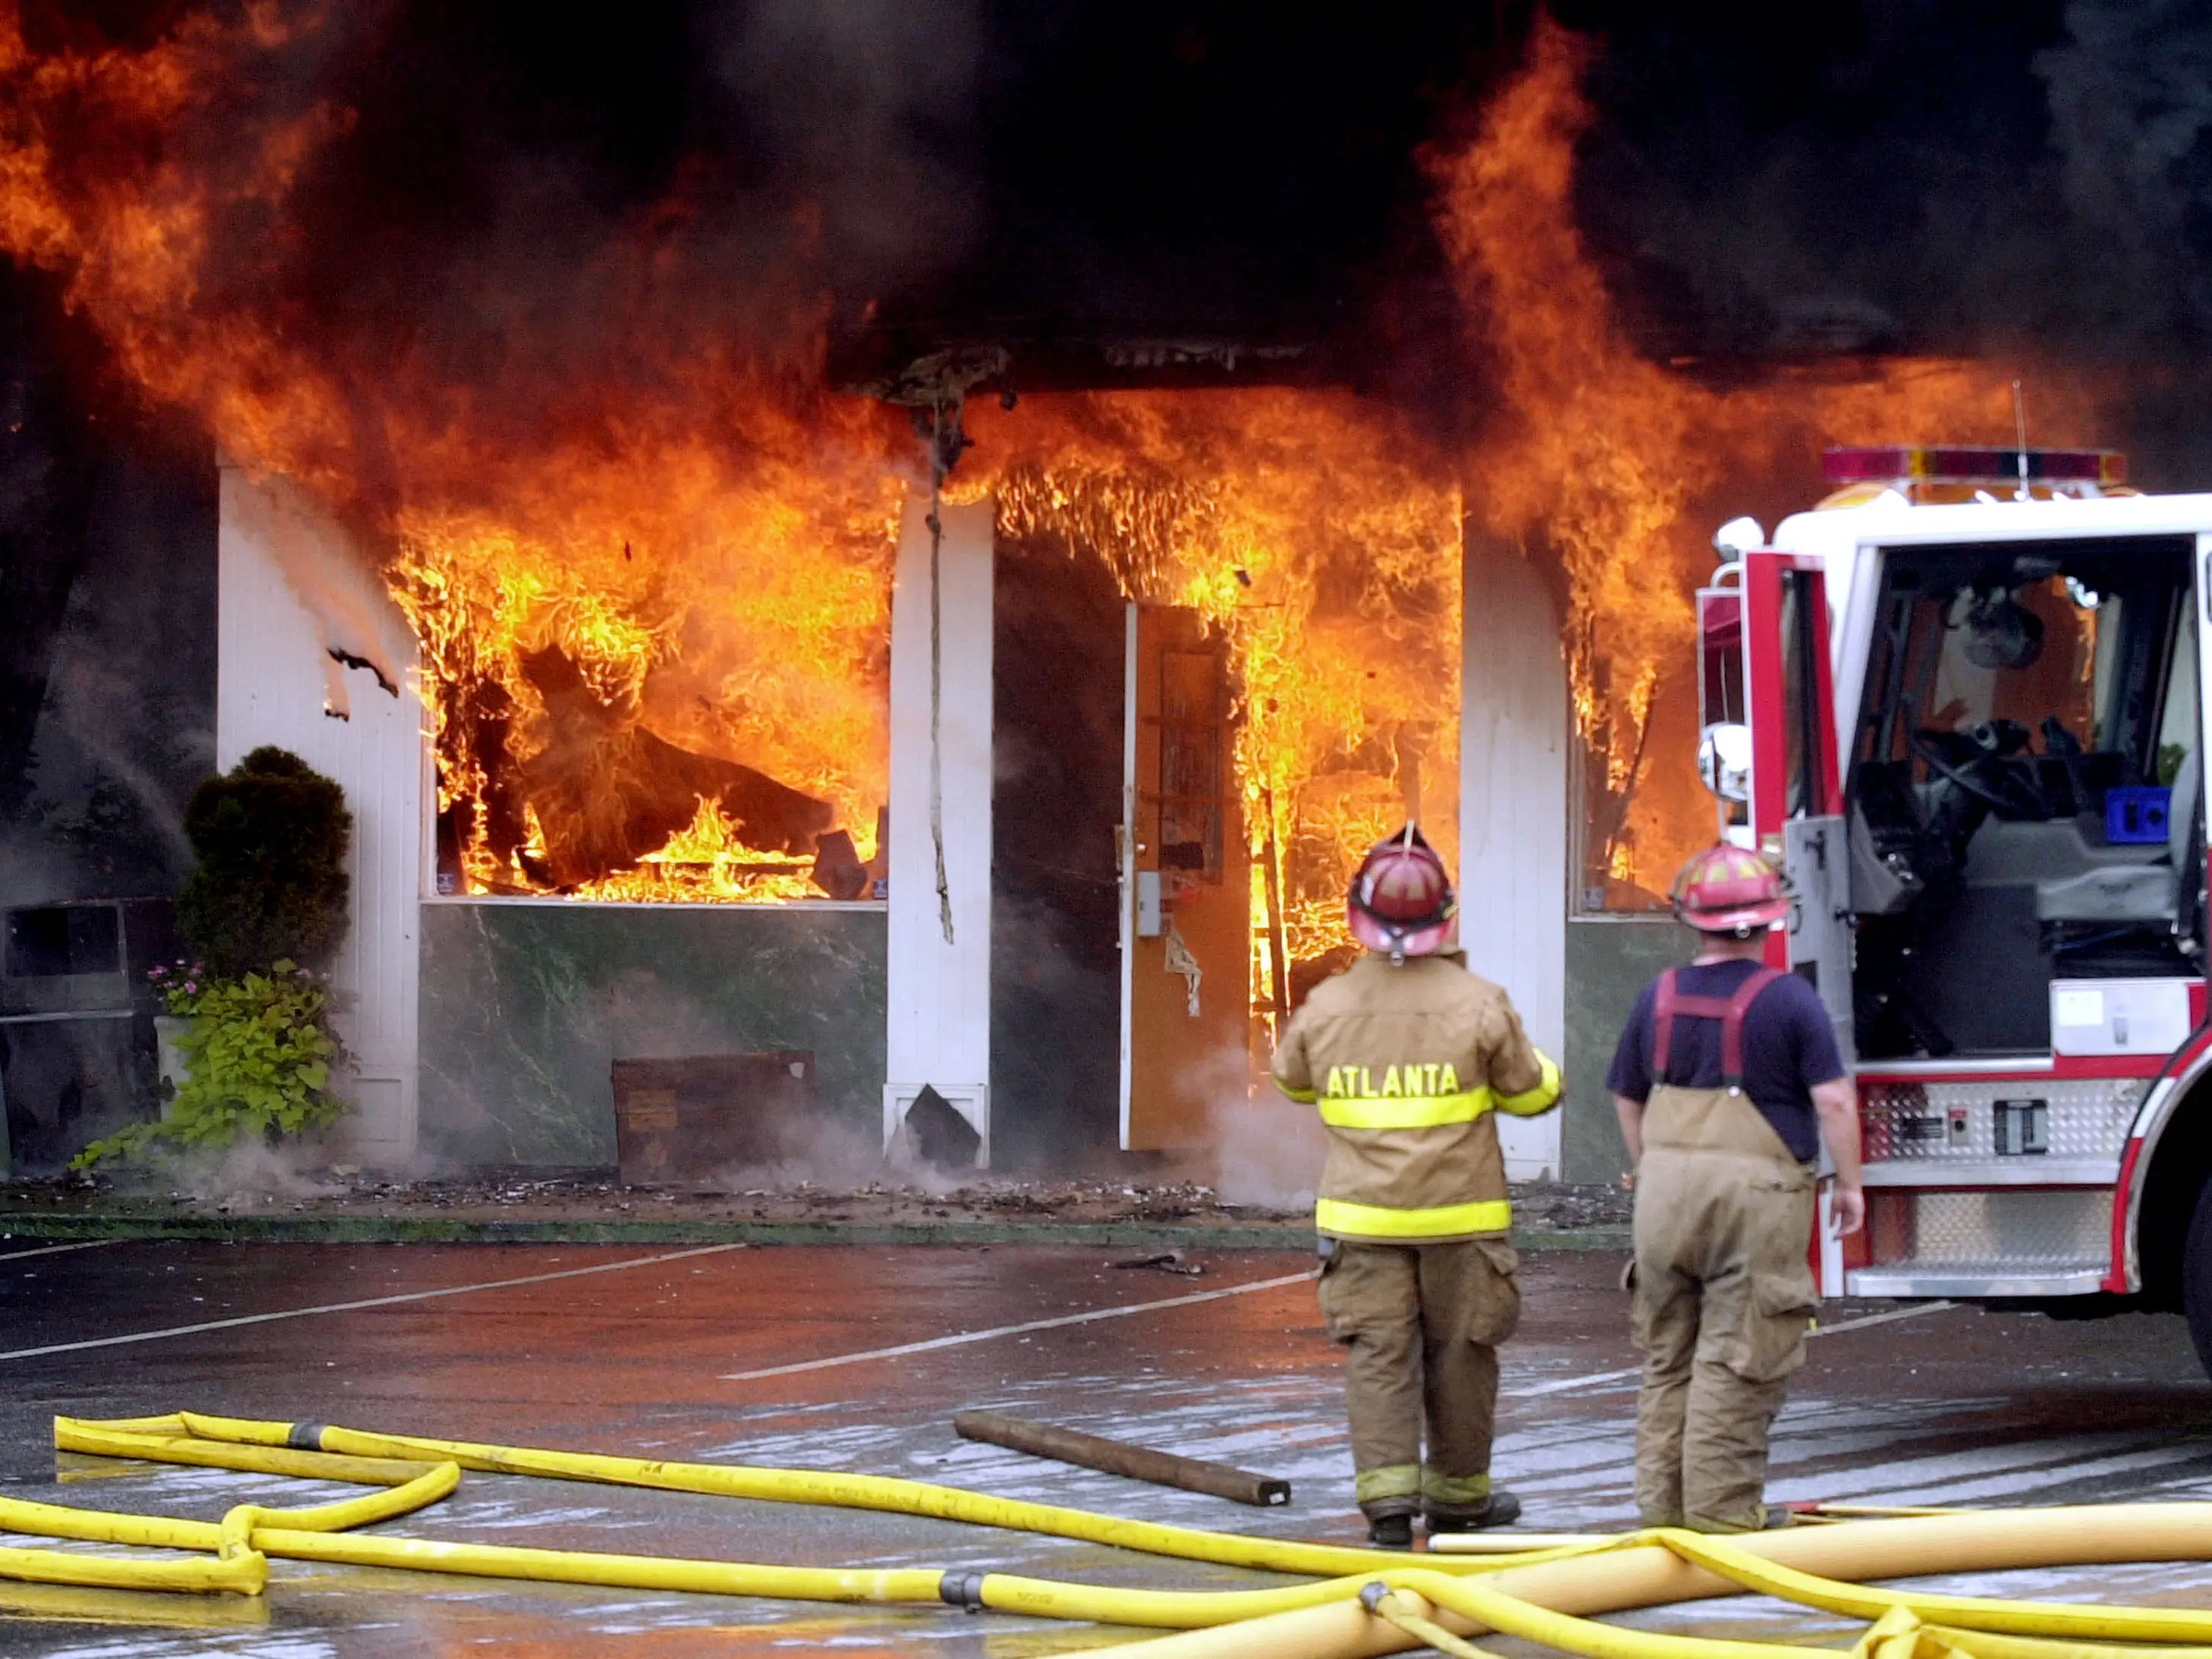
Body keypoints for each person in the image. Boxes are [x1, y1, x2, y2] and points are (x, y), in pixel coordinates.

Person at [1271, 825, 1562, 1545]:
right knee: (1462, 1355)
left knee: (1379, 1358)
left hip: (1364, 1221)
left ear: (1357, 917)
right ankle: (1462, 1504)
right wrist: (1546, 1071)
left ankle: (1390, 1509)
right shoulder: (1480, 1001)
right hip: (1461, 1220)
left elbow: (1292, 1081)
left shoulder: (1327, 1005)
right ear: (1446, 916)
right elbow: (1531, 1094)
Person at [1606, 843, 1865, 1533]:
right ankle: (1721, 1522)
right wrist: (1850, 1185)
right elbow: (1834, 1101)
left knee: (1669, 1358)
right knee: (1740, 1352)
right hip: (1755, 1199)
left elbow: (1627, 1099)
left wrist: (1653, 1169)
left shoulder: (1654, 998)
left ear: (1694, 920)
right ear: (1769, 922)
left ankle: (1662, 1516)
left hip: (1661, 1196)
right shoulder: (1789, 1000)